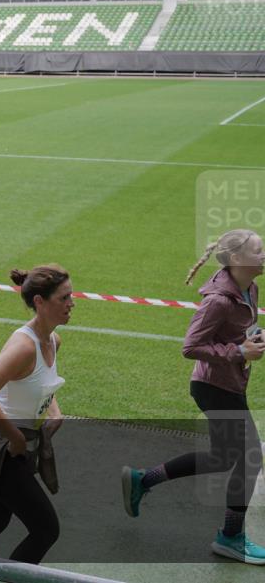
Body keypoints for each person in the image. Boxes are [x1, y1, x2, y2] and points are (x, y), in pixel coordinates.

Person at [121, 229, 264, 565]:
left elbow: (236, 334)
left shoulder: (250, 288)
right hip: (215, 388)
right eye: (258, 250)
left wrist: (253, 339)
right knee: (250, 456)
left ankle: (143, 480)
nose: (263, 254)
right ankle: (230, 537)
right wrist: (239, 350)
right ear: (236, 260)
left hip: (229, 384)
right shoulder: (217, 301)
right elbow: (191, 347)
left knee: (223, 457)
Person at [0, 265, 72, 565]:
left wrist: (54, 412)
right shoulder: (23, 347)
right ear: (40, 303)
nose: (72, 303)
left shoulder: (53, 342)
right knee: (46, 529)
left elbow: (43, 385)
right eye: (64, 298)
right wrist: (16, 438)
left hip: (16, 445)